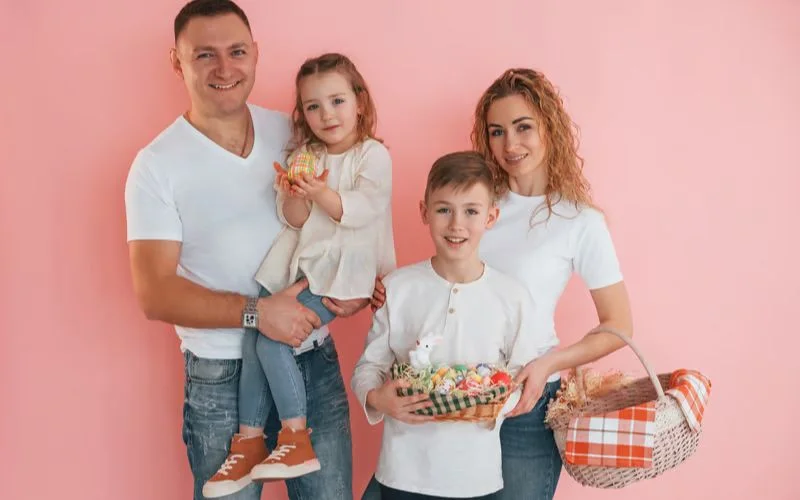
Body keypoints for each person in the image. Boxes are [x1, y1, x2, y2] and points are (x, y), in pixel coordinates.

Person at [124, 1, 363, 498]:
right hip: (221, 379)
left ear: (256, 54)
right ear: (177, 62)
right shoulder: (156, 166)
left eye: (236, 51)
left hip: (310, 359)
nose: (224, 68)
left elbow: (345, 217)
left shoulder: (297, 134)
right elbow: (155, 293)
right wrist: (259, 313)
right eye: (204, 55)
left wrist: (361, 282)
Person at [364, 68, 633, 500]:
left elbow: (618, 325)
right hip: (453, 397)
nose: (510, 144)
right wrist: (388, 293)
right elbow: (440, 278)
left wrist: (548, 364)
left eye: (523, 127)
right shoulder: (476, 200)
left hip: (527, 401)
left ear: (550, 127)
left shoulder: (580, 222)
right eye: (497, 131)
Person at [202, 52, 395, 497]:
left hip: (340, 274)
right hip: (301, 265)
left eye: (337, 101)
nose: (327, 114)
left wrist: (321, 191)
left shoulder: (373, 156)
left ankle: (294, 436)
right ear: (303, 115)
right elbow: (292, 219)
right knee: (256, 336)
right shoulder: (306, 155)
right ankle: (250, 441)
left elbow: (360, 211)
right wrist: (295, 193)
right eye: (313, 106)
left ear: (360, 103)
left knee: (271, 339)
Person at [352, 151, 554, 500]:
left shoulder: (512, 297)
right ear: (424, 212)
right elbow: (369, 366)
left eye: (471, 211)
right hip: (402, 474)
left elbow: (521, 381)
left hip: (476, 479)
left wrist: (486, 401)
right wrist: (376, 398)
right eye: (444, 209)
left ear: (491, 216)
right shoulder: (397, 288)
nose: (456, 224)